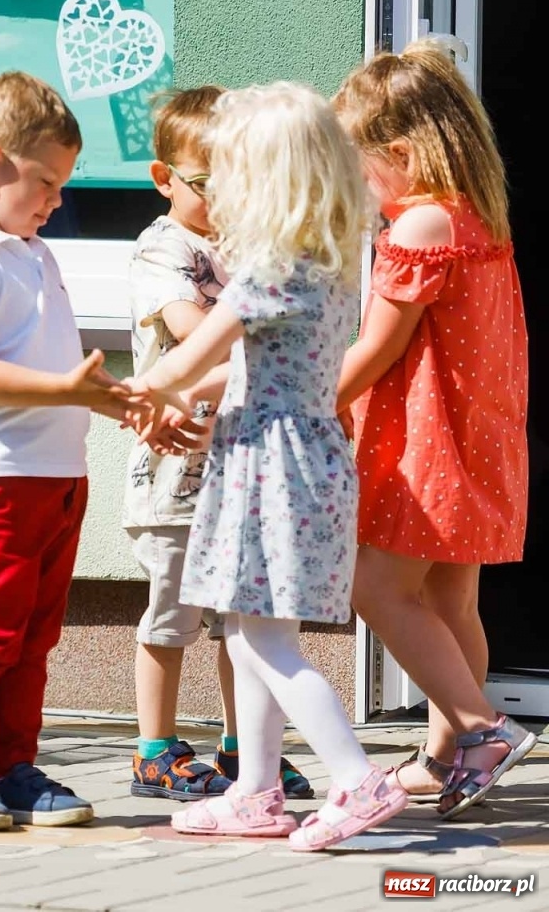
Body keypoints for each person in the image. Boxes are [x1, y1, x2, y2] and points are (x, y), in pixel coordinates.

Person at [124, 82, 408, 851]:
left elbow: (189, 357)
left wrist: (127, 391)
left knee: (262, 640)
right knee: (253, 630)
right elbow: (248, 370)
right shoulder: (327, 263)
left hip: (271, 468)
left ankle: (357, 777)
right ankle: (255, 789)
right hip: (296, 458)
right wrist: (174, 394)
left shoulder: (267, 271)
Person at [0, 72, 140, 832]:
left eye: (62, 185)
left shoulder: (31, 250)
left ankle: (10, 768)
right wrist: (69, 390)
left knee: (34, 639)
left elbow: (54, 367)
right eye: (45, 182)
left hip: (58, 480)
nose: (56, 200)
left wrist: (107, 399)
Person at [334, 40, 535, 819]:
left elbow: (377, 348)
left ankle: (484, 731)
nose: (356, 182)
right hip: (478, 437)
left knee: (377, 588)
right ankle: (446, 758)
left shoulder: (420, 223)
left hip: (429, 446)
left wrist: (310, 402)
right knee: (451, 605)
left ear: (401, 154)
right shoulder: (477, 215)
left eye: (359, 164)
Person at [122, 88, 317, 803]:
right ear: (164, 177)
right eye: (208, 184)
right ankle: (154, 749)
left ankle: (243, 747)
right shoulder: (163, 247)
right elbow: (186, 327)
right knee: (171, 614)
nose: (226, 199)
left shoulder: (246, 247)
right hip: (175, 470)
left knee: (240, 617)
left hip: (241, 463)